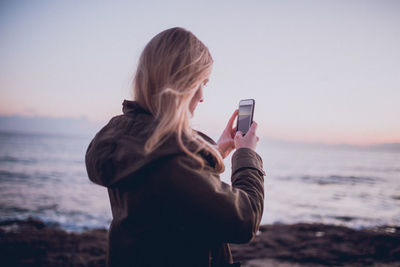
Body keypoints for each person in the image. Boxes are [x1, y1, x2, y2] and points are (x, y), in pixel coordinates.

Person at [85, 27, 265, 267]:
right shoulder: (171, 163)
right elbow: (245, 220)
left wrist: (217, 149)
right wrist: (246, 155)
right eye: (201, 82)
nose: (202, 96)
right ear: (181, 83)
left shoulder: (127, 139)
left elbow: (173, 195)